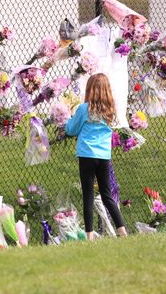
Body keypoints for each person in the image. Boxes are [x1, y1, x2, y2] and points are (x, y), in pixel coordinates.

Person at [65, 73, 127, 240]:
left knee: (88, 195)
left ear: (90, 89)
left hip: (86, 155)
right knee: (107, 196)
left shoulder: (84, 109)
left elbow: (71, 130)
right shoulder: (110, 110)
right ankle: (122, 231)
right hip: (104, 157)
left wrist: (66, 120)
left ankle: (90, 236)